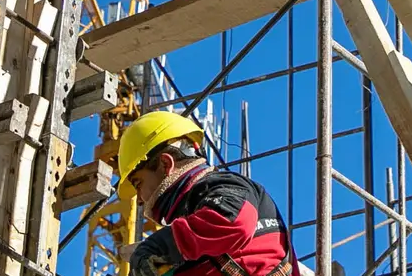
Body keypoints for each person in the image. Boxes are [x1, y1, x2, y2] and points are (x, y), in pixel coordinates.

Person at [120, 111, 300, 276]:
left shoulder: (223, 186)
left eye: (138, 184)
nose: (141, 200)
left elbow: (234, 222)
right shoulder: (194, 244)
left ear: (166, 165)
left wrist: (161, 244)